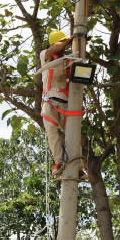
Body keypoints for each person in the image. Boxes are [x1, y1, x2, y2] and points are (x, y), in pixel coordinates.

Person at [40, 30, 87, 180]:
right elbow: (54, 49)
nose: (65, 47)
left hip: (67, 105)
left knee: (73, 135)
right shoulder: (46, 57)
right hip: (50, 103)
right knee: (52, 134)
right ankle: (59, 163)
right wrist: (70, 39)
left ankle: (77, 167)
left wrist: (80, 42)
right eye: (62, 43)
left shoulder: (68, 61)